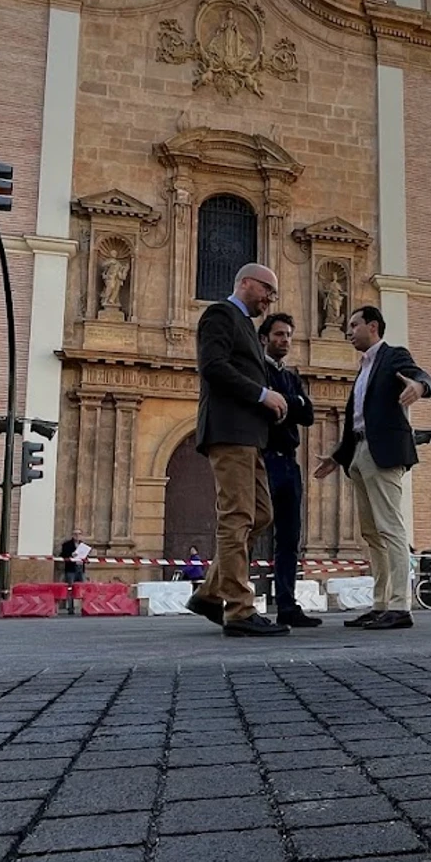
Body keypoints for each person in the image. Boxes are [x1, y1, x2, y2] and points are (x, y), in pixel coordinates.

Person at [189, 262, 290, 637]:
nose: (269, 300)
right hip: (229, 431)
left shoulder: (245, 324)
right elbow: (212, 367)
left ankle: (210, 593)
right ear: (246, 283)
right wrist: (263, 394)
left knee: (260, 514)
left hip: (250, 436)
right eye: (267, 291)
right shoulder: (220, 314)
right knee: (237, 517)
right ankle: (239, 609)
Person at [315, 305, 431, 630]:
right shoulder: (363, 369)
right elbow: (358, 419)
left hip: (384, 453)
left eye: (354, 325)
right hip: (359, 453)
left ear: (373, 326)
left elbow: (420, 375)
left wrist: (420, 387)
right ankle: (381, 604)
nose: (348, 330)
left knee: (390, 529)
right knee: (371, 533)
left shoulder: (393, 356)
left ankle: (399, 606)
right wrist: (338, 456)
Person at [259, 312, 321, 627]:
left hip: (289, 462)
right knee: (251, 528)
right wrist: (291, 402)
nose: (285, 340)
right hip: (264, 459)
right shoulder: (257, 371)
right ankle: (238, 602)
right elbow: (263, 407)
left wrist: (287, 402)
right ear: (265, 338)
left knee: (289, 537)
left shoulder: (292, 375)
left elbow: (308, 414)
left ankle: (286, 605)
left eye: (288, 335)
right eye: (279, 334)